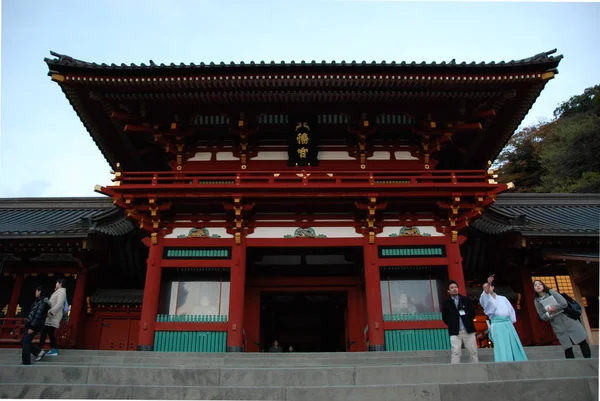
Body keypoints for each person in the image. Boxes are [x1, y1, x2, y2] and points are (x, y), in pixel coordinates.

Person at [533, 280, 591, 359]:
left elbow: (564, 303)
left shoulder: (551, 292)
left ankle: (589, 361)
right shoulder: (536, 301)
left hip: (568, 319)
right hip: (557, 324)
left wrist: (555, 308)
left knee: (582, 342)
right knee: (567, 347)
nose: (538, 286)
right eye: (535, 285)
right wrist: (548, 313)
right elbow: (542, 316)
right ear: (534, 288)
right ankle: (571, 367)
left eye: (540, 284)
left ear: (543, 285)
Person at [479, 275, 527, 362]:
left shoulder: (503, 298)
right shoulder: (483, 298)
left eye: (489, 286)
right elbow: (486, 294)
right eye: (485, 287)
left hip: (507, 323)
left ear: (493, 287)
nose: (488, 288)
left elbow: (511, 310)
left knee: (512, 342)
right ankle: (503, 361)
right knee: (501, 344)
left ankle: (518, 359)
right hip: (497, 324)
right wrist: (489, 282)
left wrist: (511, 321)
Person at [442, 280, 478, 364]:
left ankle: (476, 369)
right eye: (452, 288)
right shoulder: (446, 303)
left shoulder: (465, 299)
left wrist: (468, 321)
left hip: (468, 330)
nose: (454, 289)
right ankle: (455, 372)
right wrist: (452, 324)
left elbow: (473, 313)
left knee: (473, 352)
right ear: (448, 291)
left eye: (455, 287)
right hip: (455, 331)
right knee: (455, 352)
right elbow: (445, 318)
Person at [37, 278, 67, 359]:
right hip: (51, 315)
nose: (56, 284)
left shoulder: (62, 292)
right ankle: (49, 349)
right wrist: (47, 301)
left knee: (47, 332)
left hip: (54, 315)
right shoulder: (57, 292)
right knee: (48, 332)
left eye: (57, 282)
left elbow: (59, 303)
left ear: (60, 283)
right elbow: (53, 303)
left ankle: (45, 349)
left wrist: (51, 312)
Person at [21, 286, 50, 365]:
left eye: (36, 291)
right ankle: (38, 352)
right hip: (31, 324)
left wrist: (32, 327)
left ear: (40, 291)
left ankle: (26, 362)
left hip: (34, 325)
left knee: (26, 342)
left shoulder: (42, 302)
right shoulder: (38, 301)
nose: (35, 292)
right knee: (23, 341)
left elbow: (38, 315)